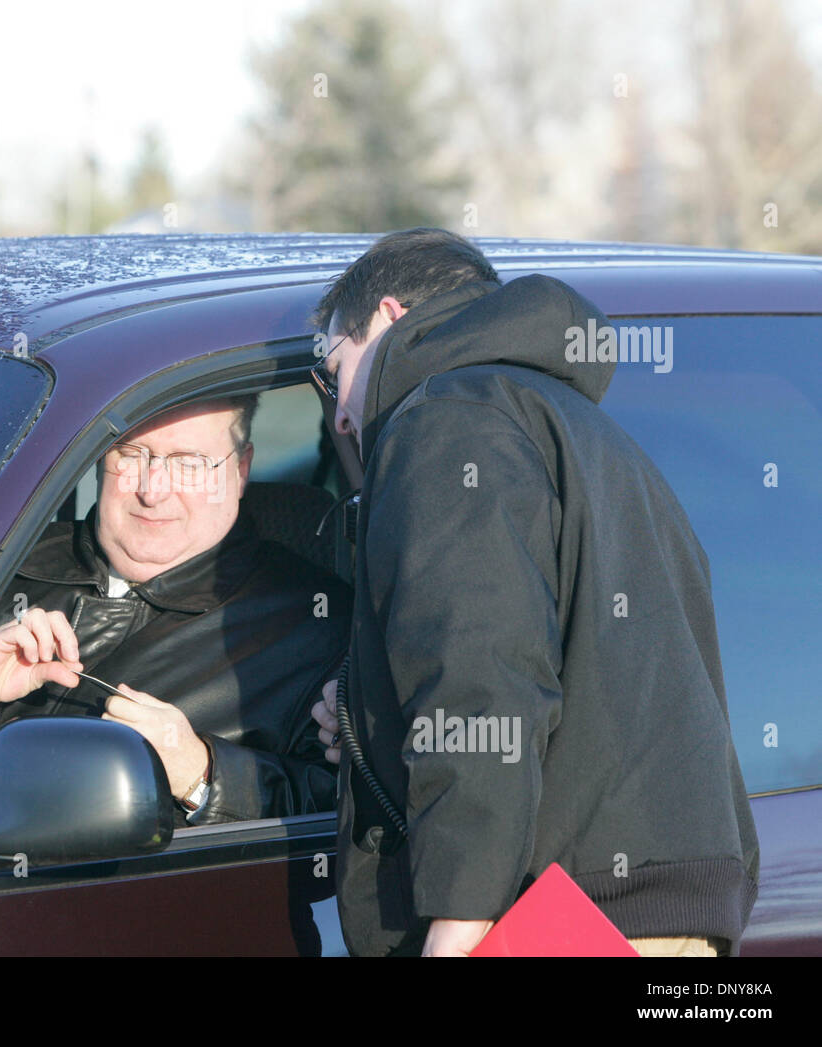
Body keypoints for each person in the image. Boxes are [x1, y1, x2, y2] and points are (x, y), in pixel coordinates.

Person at [311, 228, 759, 956]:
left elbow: (485, 685)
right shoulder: (580, 431)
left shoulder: (443, 419)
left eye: (333, 370)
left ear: (390, 316)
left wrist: (455, 932)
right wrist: (370, 713)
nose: (337, 414)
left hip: (546, 925)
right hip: (650, 914)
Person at [0, 395, 351, 825]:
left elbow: (350, 818)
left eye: (188, 463)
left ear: (240, 470)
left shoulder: (318, 626)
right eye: (131, 453)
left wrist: (203, 774)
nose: (151, 490)